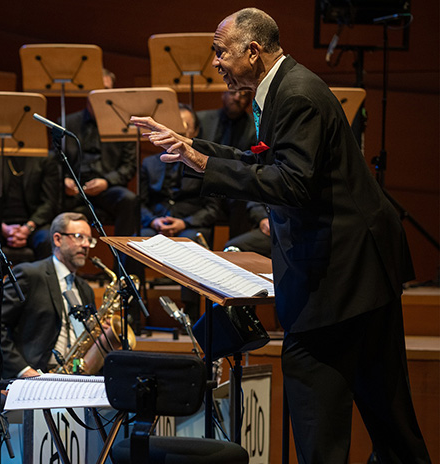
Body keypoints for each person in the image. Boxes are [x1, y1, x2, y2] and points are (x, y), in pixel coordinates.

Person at [131, 8, 429, 463]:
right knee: (389, 422)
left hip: (340, 276)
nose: (214, 63)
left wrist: (204, 164)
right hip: (358, 269)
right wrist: (192, 150)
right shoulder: (278, 88)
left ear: (253, 51)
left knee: (322, 410)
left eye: (220, 51)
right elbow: (264, 161)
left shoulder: (296, 95)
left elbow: (292, 183)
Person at [0, 212, 96, 378]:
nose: (85, 245)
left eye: (89, 240)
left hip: (75, 376)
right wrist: (22, 370)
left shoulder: (85, 289)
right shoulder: (30, 274)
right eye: (79, 237)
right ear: (57, 239)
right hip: (37, 376)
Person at [0, 153, 60, 309]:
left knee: (47, 241)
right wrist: (2, 226)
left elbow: (50, 202)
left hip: (34, 224)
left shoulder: (45, 157)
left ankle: (42, 306)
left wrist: (28, 227)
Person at [60, 69, 138, 238]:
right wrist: (64, 179)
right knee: (49, 199)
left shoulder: (124, 125)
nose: (101, 94)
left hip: (107, 188)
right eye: (97, 90)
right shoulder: (67, 123)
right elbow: (55, 161)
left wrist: (106, 182)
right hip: (73, 188)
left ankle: (124, 262)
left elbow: (129, 165)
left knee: (129, 200)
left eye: (107, 90)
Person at [196, 90, 270, 256]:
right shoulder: (203, 120)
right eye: (233, 93)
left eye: (244, 95)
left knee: (242, 196)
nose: (237, 98)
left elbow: (253, 161)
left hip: (235, 183)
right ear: (223, 95)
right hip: (206, 180)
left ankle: (235, 254)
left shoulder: (255, 125)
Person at [140, 104, 223, 241]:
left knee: (189, 243)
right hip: (155, 225)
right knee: (138, 242)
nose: (176, 134)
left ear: (195, 132)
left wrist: (185, 223)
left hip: (190, 226)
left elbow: (212, 209)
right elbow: (140, 204)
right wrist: (154, 221)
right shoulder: (149, 163)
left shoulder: (206, 164)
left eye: (185, 127)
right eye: (173, 128)